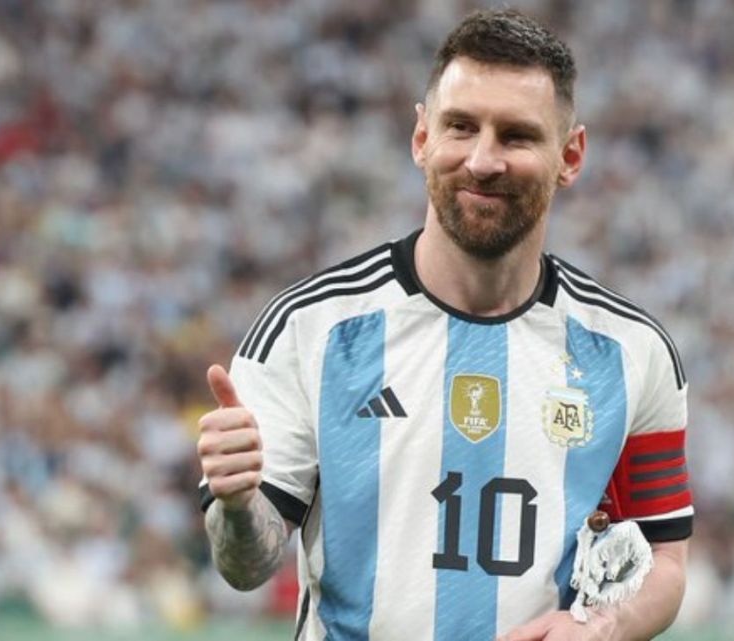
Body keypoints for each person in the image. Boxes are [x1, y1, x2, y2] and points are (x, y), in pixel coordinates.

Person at [196, 9, 692, 641]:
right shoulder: (310, 328)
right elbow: (245, 566)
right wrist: (238, 505)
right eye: (461, 127)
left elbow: (666, 557)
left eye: (516, 136)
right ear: (421, 138)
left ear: (570, 156)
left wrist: (605, 627)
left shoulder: (632, 352)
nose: (483, 160)